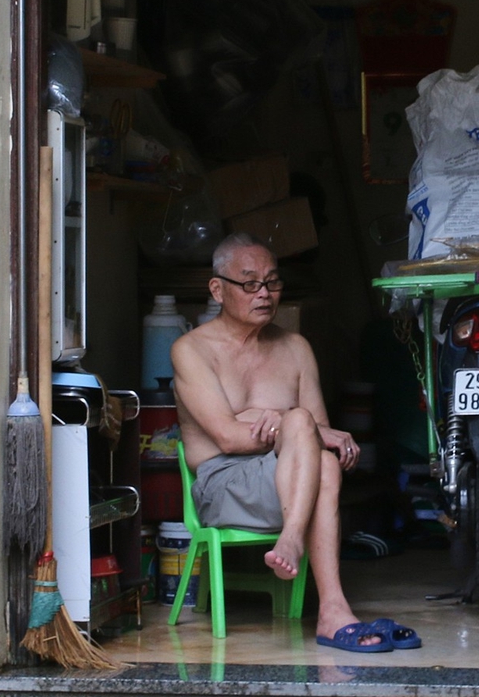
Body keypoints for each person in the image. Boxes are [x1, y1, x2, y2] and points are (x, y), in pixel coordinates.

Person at [171, 232, 416, 653]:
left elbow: (313, 437)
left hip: (287, 482)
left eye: (272, 282)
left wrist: (282, 425)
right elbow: (229, 438)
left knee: (321, 460)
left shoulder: (295, 347)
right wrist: (295, 426)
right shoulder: (191, 350)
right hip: (223, 484)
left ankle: (330, 606)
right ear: (217, 289)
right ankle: (308, 563)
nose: (264, 294)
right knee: (306, 435)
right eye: (249, 283)